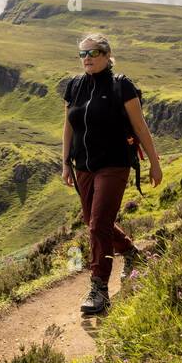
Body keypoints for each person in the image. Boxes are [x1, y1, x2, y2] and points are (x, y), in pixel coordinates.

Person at [61, 33, 162, 315]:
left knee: (98, 225)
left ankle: (99, 290)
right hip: (83, 166)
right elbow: (68, 127)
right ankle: (130, 252)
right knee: (92, 220)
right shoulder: (74, 86)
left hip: (114, 164)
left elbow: (140, 127)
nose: (87, 59)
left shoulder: (122, 86)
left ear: (107, 55)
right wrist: (65, 162)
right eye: (82, 54)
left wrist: (154, 162)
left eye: (93, 53)